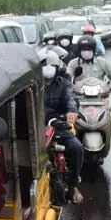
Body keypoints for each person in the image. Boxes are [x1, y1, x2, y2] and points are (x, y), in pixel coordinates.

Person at [66, 35, 111, 157]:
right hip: (79, 100)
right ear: (79, 50)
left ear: (94, 50)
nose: (86, 51)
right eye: (83, 49)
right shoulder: (73, 64)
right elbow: (67, 79)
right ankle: (67, 147)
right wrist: (69, 88)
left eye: (89, 48)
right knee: (67, 117)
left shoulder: (102, 63)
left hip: (99, 99)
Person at [41, 51, 84, 204]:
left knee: (77, 148)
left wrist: (72, 111)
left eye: (51, 66)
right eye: (44, 66)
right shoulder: (33, 85)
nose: (47, 69)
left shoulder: (64, 84)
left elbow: (71, 98)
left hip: (58, 125)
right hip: (37, 128)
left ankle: (73, 186)